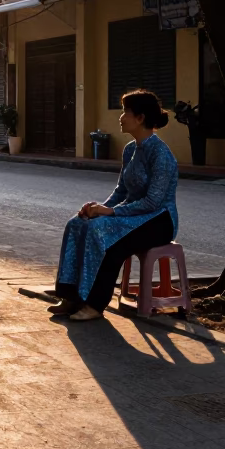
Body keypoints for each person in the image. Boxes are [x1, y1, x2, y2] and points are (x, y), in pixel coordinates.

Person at [49, 89, 179, 322]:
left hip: (159, 219)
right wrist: (97, 208)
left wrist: (111, 212)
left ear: (140, 118)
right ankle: (71, 296)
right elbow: (121, 191)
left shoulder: (161, 154)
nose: (121, 117)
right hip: (131, 215)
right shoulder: (130, 150)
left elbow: (153, 202)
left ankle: (95, 304)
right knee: (78, 224)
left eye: (125, 112)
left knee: (106, 235)